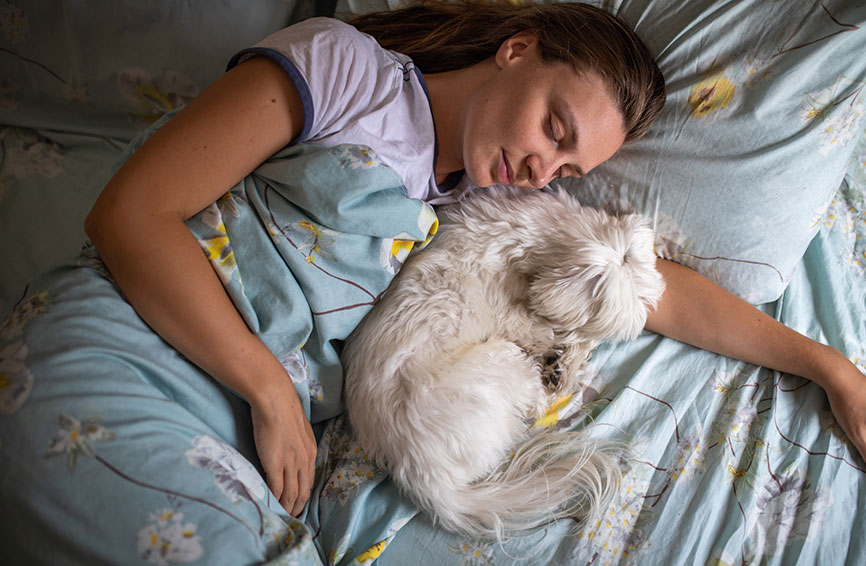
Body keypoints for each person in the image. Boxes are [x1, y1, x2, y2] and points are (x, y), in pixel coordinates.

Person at [84, 0, 866, 520]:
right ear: (517, 50)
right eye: (554, 129)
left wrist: (830, 369)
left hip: (240, 437)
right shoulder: (343, 70)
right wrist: (268, 389)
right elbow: (130, 215)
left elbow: (666, 297)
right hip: (130, 347)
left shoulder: (475, 205)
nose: (543, 171)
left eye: (568, 171)